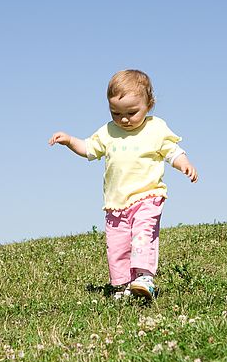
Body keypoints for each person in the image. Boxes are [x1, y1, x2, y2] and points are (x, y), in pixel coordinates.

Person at [49, 69, 198, 299]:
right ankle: (124, 285)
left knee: (142, 235)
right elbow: (88, 148)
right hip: (116, 203)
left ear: (149, 104)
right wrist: (69, 141)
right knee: (117, 246)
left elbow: (172, 151)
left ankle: (144, 277)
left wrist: (183, 163)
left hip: (147, 196)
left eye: (131, 112)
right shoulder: (108, 132)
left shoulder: (155, 128)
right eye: (116, 113)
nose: (124, 119)